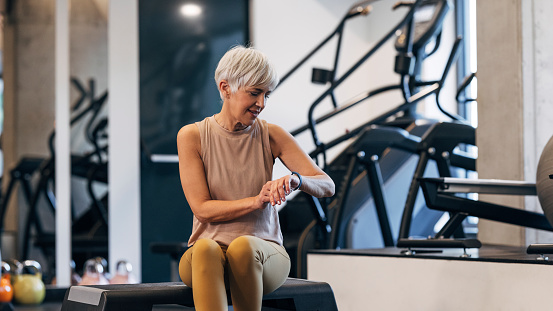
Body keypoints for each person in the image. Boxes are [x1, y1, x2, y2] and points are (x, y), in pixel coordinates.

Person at [177, 45, 335, 311]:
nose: (261, 103)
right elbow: (202, 209)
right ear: (225, 88)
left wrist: (297, 179)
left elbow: (326, 184)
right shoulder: (192, 136)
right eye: (254, 93)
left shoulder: (271, 134)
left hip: (264, 254)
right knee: (205, 248)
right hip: (204, 258)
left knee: (243, 248)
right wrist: (256, 201)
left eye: (266, 95)